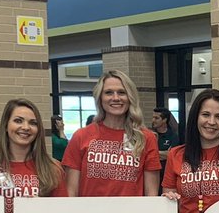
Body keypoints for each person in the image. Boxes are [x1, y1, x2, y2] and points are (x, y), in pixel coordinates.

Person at [63, 70, 161, 198]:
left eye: (121, 92)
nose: (116, 98)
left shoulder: (146, 138)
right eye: (109, 93)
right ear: (100, 98)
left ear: (130, 97)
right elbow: (71, 192)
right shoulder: (81, 136)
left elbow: (151, 194)